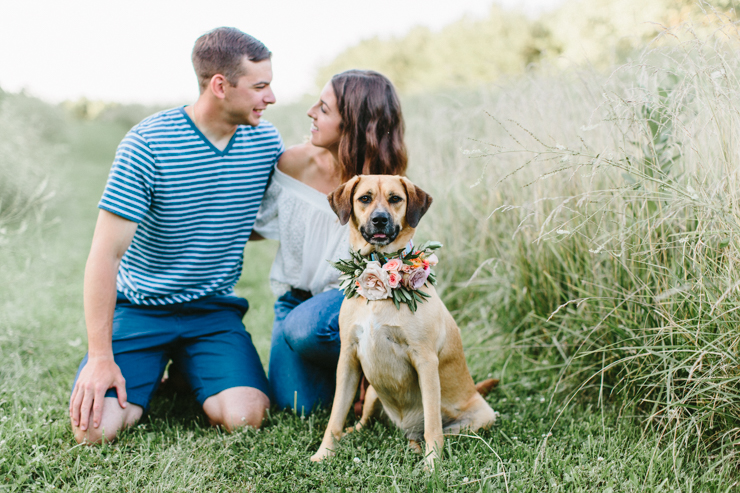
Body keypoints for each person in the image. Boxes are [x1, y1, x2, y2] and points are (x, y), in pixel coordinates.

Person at [69, 27, 283, 444]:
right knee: (94, 433)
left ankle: (188, 367)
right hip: (142, 308)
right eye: (260, 86)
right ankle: (156, 364)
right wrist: (99, 357)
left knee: (245, 417)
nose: (270, 97)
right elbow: (105, 255)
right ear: (220, 85)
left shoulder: (265, 142)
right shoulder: (147, 144)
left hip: (212, 311)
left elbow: (267, 216)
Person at [253, 70, 407, 413]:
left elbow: (393, 255)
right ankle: (357, 376)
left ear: (353, 125)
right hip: (295, 302)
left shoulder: (382, 183)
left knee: (306, 328)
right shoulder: (292, 163)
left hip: (354, 298)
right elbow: (257, 226)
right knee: (299, 406)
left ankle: (375, 368)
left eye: (323, 109)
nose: (311, 112)